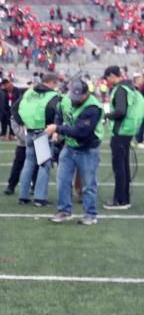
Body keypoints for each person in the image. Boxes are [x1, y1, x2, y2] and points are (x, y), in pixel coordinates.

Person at [48, 77, 103, 226]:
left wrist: (57, 129)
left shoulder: (93, 108)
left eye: (79, 97)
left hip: (88, 148)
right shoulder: (66, 99)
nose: (75, 100)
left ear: (87, 94)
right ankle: (64, 210)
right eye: (74, 96)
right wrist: (57, 130)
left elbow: (81, 131)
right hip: (70, 146)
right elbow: (59, 114)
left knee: (88, 184)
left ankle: (90, 214)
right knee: (63, 180)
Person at [12, 72, 62, 208]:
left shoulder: (29, 92)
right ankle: (40, 197)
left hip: (30, 131)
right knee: (44, 165)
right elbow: (53, 112)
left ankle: (23, 195)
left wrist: (22, 123)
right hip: (43, 131)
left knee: (29, 163)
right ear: (51, 82)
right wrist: (52, 128)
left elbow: (15, 108)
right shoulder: (53, 96)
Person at [103, 64, 143, 209]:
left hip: (120, 133)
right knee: (124, 166)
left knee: (119, 167)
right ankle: (124, 199)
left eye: (108, 78)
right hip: (127, 132)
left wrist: (107, 115)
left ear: (112, 75)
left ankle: (119, 200)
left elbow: (121, 111)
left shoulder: (120, 89)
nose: (107, 81)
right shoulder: (130, 88)